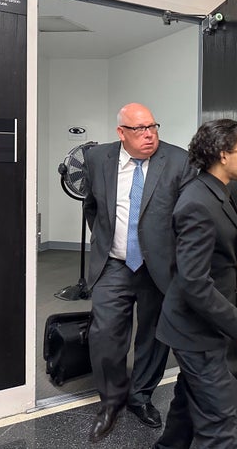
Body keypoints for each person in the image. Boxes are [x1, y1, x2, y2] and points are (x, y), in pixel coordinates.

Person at [82, 103, 195, 442]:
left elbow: (187, 217)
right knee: (105, 334)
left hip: (158, 267)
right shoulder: (98, 159)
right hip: (114, 263)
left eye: (153, 127)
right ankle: (111, 401)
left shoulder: (178, 160)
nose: (149, 134)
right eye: (140, 129)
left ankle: (140, 396)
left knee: (154, 336)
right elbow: (92, 207)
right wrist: (107, 242)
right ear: (121, 133)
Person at [154, 119, 237, 449]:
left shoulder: (215, 192)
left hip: (197, 327)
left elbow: (204, 256)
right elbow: (193, 282)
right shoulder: (197, 202)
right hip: (193, 330)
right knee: (219, 426)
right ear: (222, 154)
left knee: (187, 403)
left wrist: (232, 256)